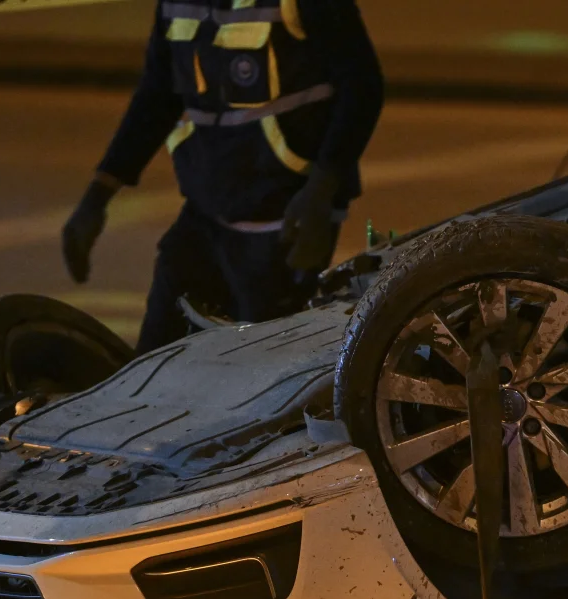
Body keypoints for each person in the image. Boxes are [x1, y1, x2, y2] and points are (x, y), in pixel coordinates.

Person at [62, 0, 383, 353]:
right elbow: (157, 94)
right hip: (205, 215)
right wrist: (99, 193)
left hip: (282, 223)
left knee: (257, 363)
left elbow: (363, 87)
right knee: (156, 356)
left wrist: (322, 193)